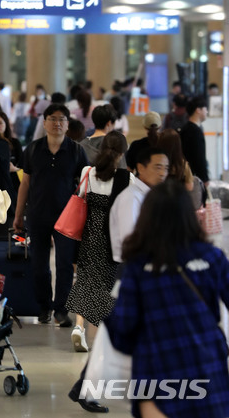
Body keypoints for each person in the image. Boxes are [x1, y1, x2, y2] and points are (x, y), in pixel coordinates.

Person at [106, 179, 229, 418]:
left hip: (157, 369)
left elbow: (123, 330)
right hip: (208, 364)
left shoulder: (138, 267)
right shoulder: (213, 258)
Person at [67, 147, 169, 414]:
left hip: (142, 274)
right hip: (133, 275)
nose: (163, 172)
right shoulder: (130, 199)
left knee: (123, 338)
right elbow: (128, 244)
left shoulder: (148, 197)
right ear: (139, 167)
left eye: (166, 167)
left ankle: (84, 387)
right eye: (157, 166)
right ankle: (85, 388)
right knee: (116, 338)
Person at [14, 103, 89, 327]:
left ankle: (61, 309)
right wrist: (19, 215)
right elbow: (25, 183)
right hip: (37, 214)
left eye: (62, 119)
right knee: (39, 264)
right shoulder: (33, 150)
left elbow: (85, 186)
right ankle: (44, 305)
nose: (57, 123)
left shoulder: (76, 151)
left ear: (68, 124)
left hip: (67, 218)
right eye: (52, 119)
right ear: (44, 123)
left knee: (65, 264)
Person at [65, 131, 132, 352]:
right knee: (108, 285)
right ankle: (107, 335)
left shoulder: (88, 172)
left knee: (84, 281)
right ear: (122, 152)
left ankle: (79, 327)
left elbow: (82, 197)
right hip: (112, 238)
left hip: (89, 236)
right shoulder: (126, 178)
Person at [180, 96, 210, 186]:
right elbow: (199, 157)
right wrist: (205, 178)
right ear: (198, 110)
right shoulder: (195, 131)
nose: (207, 112)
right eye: (205, 109)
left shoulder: (186, 129)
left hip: (186, 176)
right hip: (193, 179)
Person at [0, 111, 23, 196]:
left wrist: (15, 169)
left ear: (6, 124)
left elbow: (23, 166)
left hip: (14, 185)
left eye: (0, 123)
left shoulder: (15, 143)